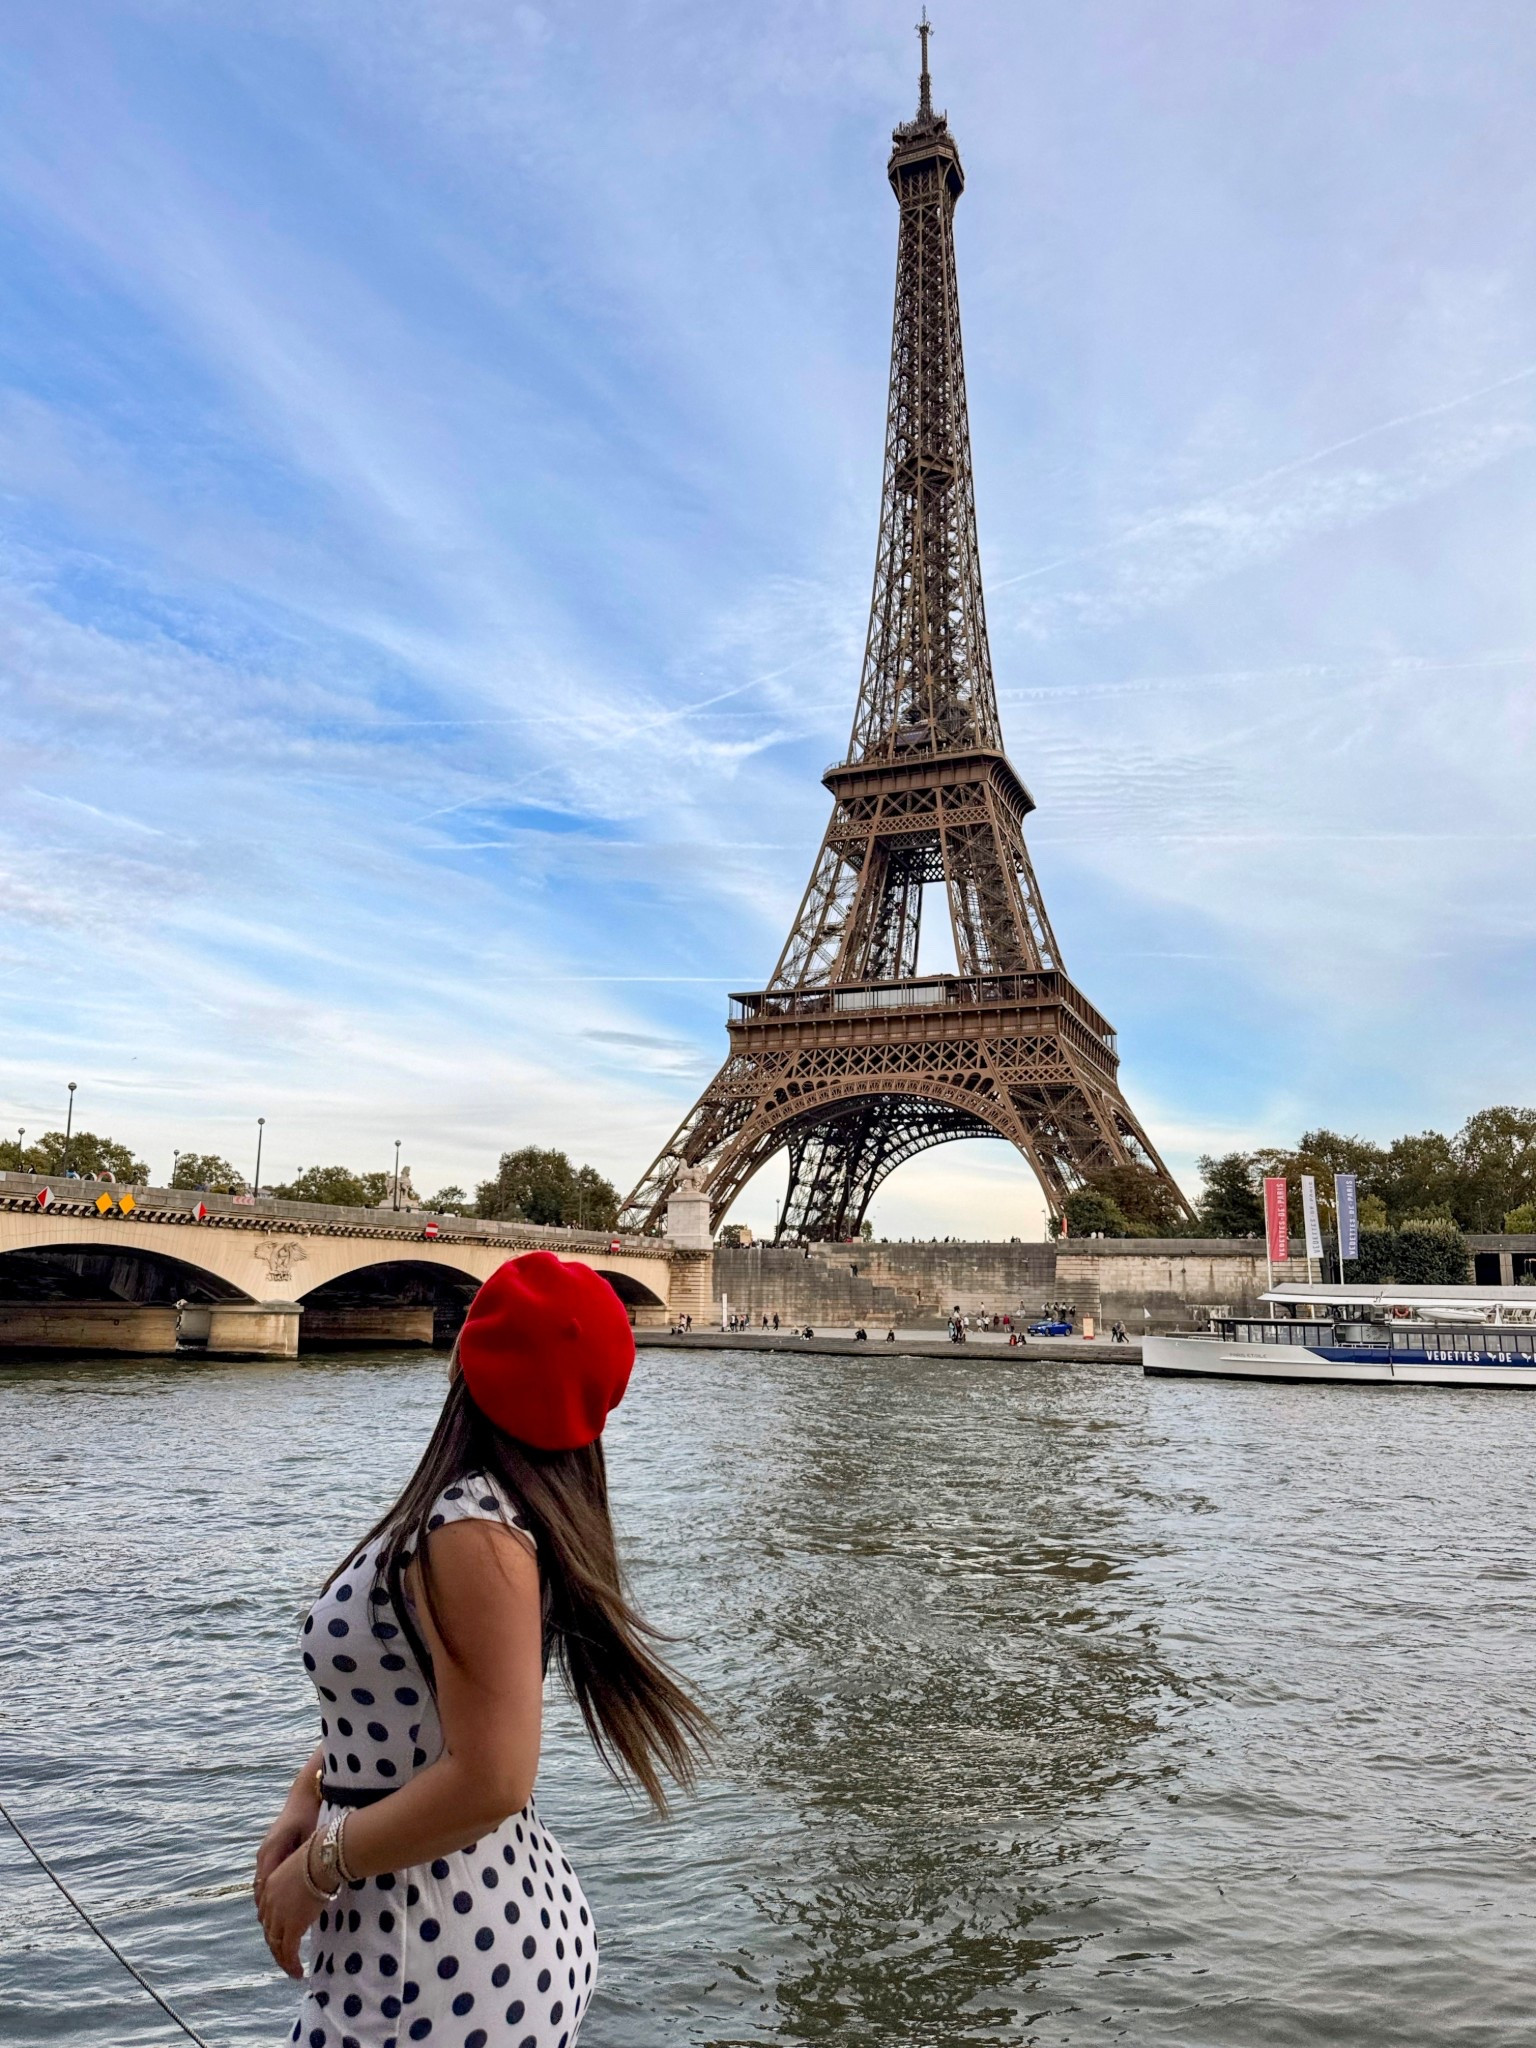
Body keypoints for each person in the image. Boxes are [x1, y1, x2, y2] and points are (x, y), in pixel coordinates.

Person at [255, 1251, 709, 2045]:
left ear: (470, 1355)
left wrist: (319, 1864)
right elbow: (406, 1709)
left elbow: (494, 1776)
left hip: (429, 1954)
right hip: (450, 1932)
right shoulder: (485, 1514)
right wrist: (311, 1793)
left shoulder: (470, 1529)